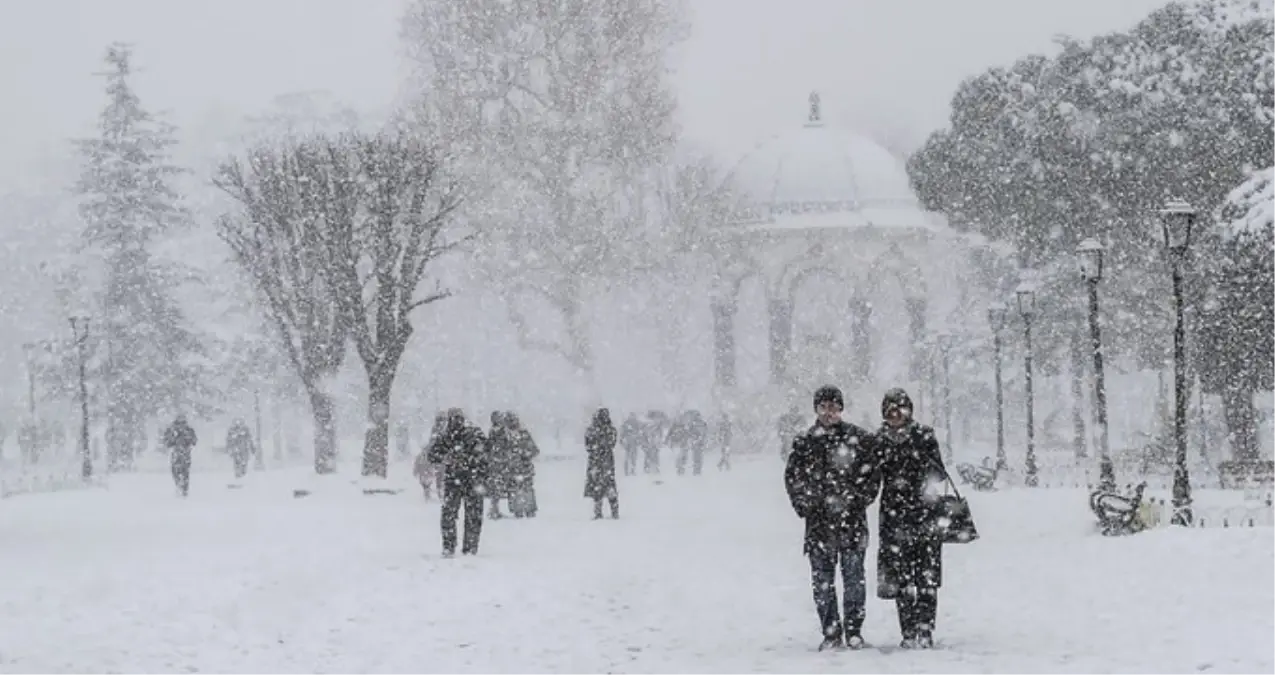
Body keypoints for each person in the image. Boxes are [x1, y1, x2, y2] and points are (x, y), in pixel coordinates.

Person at [784, 385, 880, 651]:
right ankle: (831, 632)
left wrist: (858, 499)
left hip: (851, 522)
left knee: (854, 580)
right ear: (816, 409)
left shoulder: (858, 438)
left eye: (834, 407)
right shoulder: (805, 442)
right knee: (823, 582)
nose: (829, 413)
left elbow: (872, 475)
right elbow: (793, 478)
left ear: (841, 409)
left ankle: (854, 631)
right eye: (824, 407)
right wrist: (805, 504)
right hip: (818, 525)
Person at [874, 388, 948, 649]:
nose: (895, 415)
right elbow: (871, 477)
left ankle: (926, 629)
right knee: (901, 577)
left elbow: (939, 474)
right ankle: (908, 631)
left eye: (900, 409)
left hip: (924, 512)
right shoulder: (879, 440)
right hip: (894, 516)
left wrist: (922, 466)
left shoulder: (924, 436)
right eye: (890, 411)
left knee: (926, 576)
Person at [428, 409, 489, 557]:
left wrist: (455, 457)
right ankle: (467, 547)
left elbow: (433, 455)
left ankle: (455, 547)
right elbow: (433, 455)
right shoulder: (457, 434)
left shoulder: (453, 434)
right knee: (468, 515)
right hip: (466, 480)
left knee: (453, 514)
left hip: (461, 480)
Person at [584, 408, 620, 519]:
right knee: (609, 485)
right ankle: (614, 511)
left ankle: (598, 512)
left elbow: (588, 446)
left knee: (597, 486)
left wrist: (595, 450)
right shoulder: (610, 429)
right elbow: (612, 443)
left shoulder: (591, 430)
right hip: (607, 461)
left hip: (595, 461)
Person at [163, 414, 198, 497]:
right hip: (177, 453)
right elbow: (167, 441)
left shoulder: (188, 430)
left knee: (185, 472)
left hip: (185, 454)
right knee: (176, 472)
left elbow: (194, 441)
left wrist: (187, 438)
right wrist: (173, 439)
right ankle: (179, 486)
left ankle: (184, 489)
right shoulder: (172, 429)